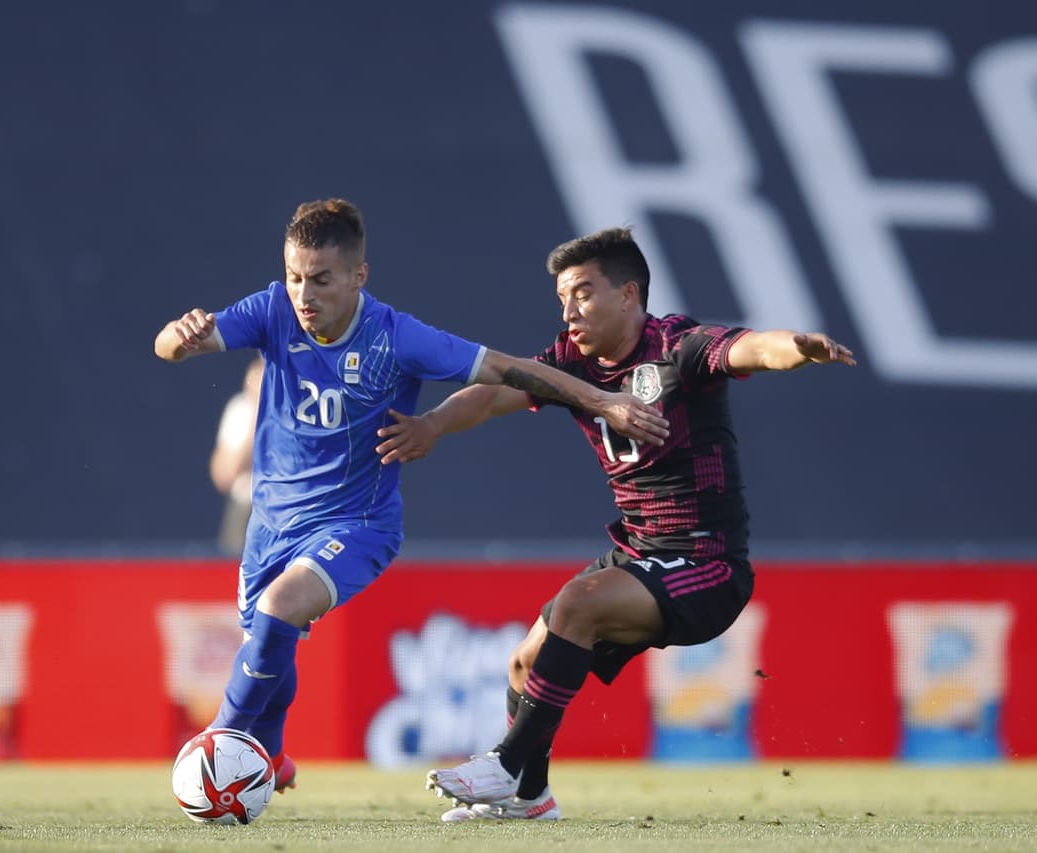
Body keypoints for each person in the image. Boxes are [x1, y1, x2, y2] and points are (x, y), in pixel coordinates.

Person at [152, 200, 669, 804]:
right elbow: (170, 346)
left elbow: (505, 369)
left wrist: (602, 401)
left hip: (358, 522)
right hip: (269, 524)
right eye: (295, 276)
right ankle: (267, 750)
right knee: (270, 637)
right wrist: (178, 338)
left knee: (278, 608)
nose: (303, 293)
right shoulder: (271, 311)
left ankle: (222, 742)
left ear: (357, 276)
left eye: (320, 279)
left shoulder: (398, 338)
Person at [375, 226, 856, 821]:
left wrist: (797, 347)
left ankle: (504, 764)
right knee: (525, 661)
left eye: (581, 293)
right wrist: (431, 426)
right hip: (640, 552)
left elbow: (750, 348)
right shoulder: (571, 363)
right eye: (561, 299)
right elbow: (493, 391)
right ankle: (529, 798)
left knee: (577, 604)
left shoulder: (678, 347)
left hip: (706, 564)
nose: (569, 311)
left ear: (629, 295)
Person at [210, 356, 264, 555]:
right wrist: (259, 411)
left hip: (290, 506)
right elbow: (224, 474)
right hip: (246, 507)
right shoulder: (240, 409)